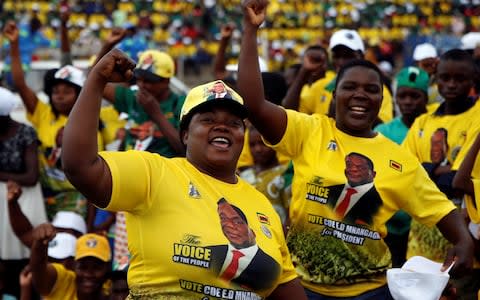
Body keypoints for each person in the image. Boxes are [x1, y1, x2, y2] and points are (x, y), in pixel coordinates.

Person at [236, 1, 474, 298]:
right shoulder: (310, 130)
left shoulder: (398, 159)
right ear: (335, 95)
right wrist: (250, 30)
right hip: (299, 288)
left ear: (381, 98)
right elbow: (253, 105)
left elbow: (441, 210)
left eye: (371, 89)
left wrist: (463, 242)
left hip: (370, 291)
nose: (360, 95)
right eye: (350, 87)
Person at [60, 48, 307, 299]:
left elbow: (284, 286)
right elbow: (80, 166)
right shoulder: (154, 174)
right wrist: (96, 80)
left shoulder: (261, 205)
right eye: (208, 120)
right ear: (186, 134)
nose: (222, 126)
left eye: (234, 124)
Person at [96, 28, 186, 156]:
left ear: (166, 81)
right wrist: (107, 46)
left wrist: (156, 114)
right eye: (139, 79)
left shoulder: (180, 104)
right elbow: (95, 82)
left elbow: (184, 150)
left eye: (149, 80)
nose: (142, 85)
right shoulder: (133, 97)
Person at [374, 66, 429, 267]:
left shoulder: (432, 127)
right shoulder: (383, 131)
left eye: (414, 96)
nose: (407, 102)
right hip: (389, 222)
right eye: (402, 96)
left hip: (422, 222)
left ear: (425, 97)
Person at [0, 87, 47, 299]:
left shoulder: (26, 132)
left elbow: (31, 176)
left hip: (25, 196)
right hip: (5, 193)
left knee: (25, 251)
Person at [209, 199, 282, 290]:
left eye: (238, 222)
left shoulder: (272, 267)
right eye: (223, 219)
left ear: (254, 232)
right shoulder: (210, 251)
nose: (229, 225)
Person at [30, 225, 111, 300]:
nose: (88, 274)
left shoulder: (113, 291)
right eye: (83, 267)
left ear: (107, 268)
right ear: (74, 266)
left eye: (96, 268)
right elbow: (39, 271)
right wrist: (39, 244)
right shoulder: (63, 281)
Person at [239, 125, 290, 224]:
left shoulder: (284, 174)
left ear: (274, 143)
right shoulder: (244, 175)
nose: (258, 149)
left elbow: (290, 215)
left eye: (262, 143)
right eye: (252, 145)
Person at [324, 153, 382, 225]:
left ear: (373, 174)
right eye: (349, 165)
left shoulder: (379, 204)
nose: (353, 169)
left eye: (361, 167)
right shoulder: (328, 190)